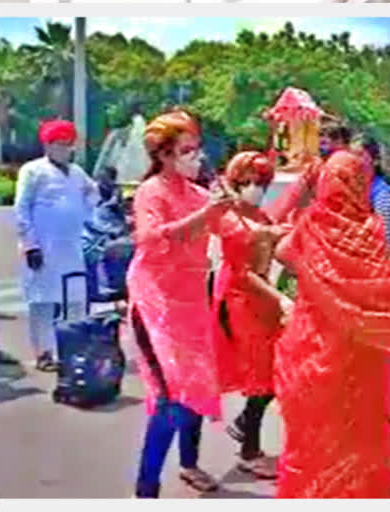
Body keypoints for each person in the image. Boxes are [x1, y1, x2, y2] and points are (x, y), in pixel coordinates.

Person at [273, 150, 390, 498]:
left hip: (311, 351)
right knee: (359, 441)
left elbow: (280, 251)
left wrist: (312, 281)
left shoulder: (311, 226)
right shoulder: (370, 232)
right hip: (361, 356)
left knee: (314, 444)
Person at [127, 110, 237, 498]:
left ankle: (189, 464)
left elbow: (240, 231)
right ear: (165, 156)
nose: (196, 157)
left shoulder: (199, 193)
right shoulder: (151, 191)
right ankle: (146, 491)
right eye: (186, 151)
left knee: (195, 389)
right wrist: (203, 216)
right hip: (155, 305)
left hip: (190, 306)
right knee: (171, 397)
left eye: (196, 150)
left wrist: (289, 217)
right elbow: (150, 239)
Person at [211, 151, 293, 479]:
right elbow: (244, 273)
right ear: (236, 181)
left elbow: (276, 236)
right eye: (251, 182)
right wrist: (282, 300)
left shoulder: (256, 213)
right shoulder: (229, 219)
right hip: (241, 300)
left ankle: (245, 425)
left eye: (262, 183)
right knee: (260, 377)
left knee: (275, 372)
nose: (257, 188)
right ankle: (250, 451)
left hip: (264, 300)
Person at [14, 120, 99, 372]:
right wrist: (30, 245)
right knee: (42, 301)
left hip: (72, 247)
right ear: (47, 145)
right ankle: (44, 353)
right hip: (43, 247)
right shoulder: (33, 171)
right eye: (59, 144)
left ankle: (72, 349)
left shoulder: (76, 172)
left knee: (75, 299)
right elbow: (21, 208)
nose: (64, 149)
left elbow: (93, 196)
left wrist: (102, 192)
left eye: (68, 145)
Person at [362, 137, 390, 250]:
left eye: (360, 156)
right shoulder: (356, 190)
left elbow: (385, 244)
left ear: (375, 160)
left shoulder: (382, 196)